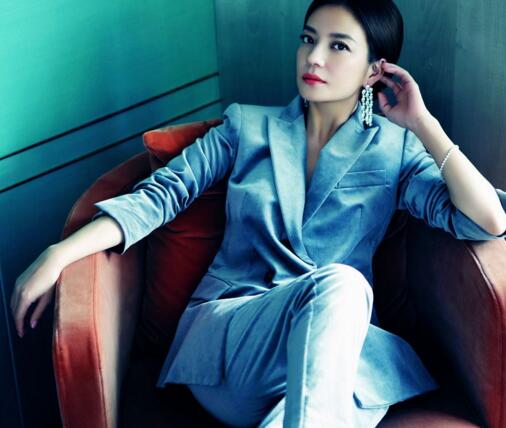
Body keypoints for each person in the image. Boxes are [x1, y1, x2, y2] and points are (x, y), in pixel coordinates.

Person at [10, 0, 506, 426]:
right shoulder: (246, 126)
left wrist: (423, 123)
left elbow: (488, 221)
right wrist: (59, 253)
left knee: (328, 393)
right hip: (234, 344)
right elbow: (160, 196)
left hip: (334, 357)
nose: (313, 57)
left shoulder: (395, 150)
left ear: (374, 71)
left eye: (338, 46)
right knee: (345, 285)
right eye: (308, 39)